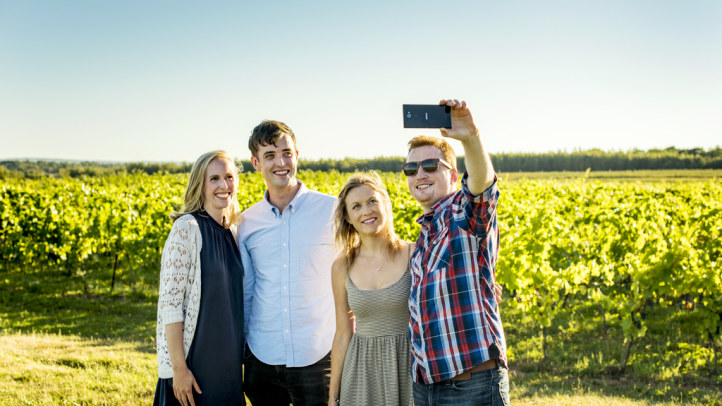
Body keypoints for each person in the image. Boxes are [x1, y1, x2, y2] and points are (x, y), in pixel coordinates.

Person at [406, 99, 510, 405]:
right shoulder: (423, 236)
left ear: (454, 175)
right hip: (426, 386)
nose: (419, 174)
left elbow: (483, 188)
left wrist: (470, 136)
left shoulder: (463, 214)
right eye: (411, 168)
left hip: (471, 385)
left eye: (430, 166)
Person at [238, 121, 335, 406]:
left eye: (286, 153)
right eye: (269, 155)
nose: (280, 162)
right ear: (256, 163)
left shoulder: (332, 210)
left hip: (317, 353)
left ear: (297, 155)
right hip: (261, 356)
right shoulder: (246, 222)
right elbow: (248, 289)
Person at [154, 150, 245, 406]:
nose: (223, 185)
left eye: (229, 177)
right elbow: (170, 306)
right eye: (214, 178)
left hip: (229, 362)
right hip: (197, 362)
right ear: (200, 185)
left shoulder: (235, 234)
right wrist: (179, 371)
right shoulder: (187, 229)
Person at [327, 172, 415, 406]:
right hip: (361, 372)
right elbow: (343, 334)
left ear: (385, 203)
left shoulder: (415, 254)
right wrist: (333, 397)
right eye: (356, 206)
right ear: (347, 217)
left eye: (372, 201)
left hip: (410, 365)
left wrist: (484, 290)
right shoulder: (341, 267)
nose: (366, 211)